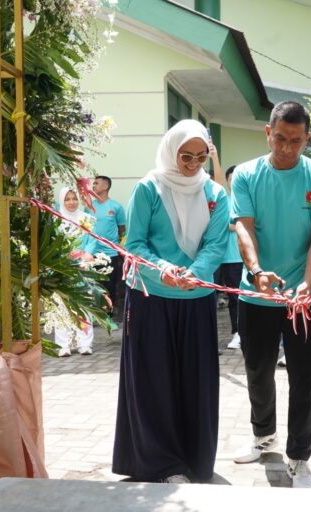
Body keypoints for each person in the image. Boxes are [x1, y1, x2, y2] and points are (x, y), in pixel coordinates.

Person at [112, 119, 229, 483]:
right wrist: (162, 269)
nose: (192, 164)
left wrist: (197, 271)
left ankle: (195, 459)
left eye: (200, 156)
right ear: (170, 151)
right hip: (151, 296)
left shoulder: (214, 193)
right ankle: (160, 463)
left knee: (196, 382)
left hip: (197, 296)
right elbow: (135, 245)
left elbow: (216, 243)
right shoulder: (149, 188)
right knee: (154, 381)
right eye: (185, 156)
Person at [231, 101, 311, 488]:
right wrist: (257, 272)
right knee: (257, 371)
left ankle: (299, 457)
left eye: (296, 141)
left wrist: (309, 282)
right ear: (268, 133)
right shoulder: (245, 174)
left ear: (307, 138)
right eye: (280, 139)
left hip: (304, 299)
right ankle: (263, 436)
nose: (287, 148)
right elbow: (244, 228)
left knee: (304, 377)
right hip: (256, 293)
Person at [54, 187, 96, 357]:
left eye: (74, 198)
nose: (71, 202)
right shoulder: (56, 219)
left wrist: (86, 256)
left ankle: (84, 343)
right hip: (63, 267)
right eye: (67, 199)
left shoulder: (87, 219)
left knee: (84, 305)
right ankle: (63, 345)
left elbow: (92, 241)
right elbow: (54, 242)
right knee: (61, 306)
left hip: (83, 268)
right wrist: (66, 256)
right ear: (61, 201)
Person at [85, 175, 126, 316]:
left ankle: (107, 315)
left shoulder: (116, 207)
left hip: (111, 254)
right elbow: (84, 229)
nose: (93, 186)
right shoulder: (88, 207)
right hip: (91, 254)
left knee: (109, 287)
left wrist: (119, 246)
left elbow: (122, 230)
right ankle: (94, 315)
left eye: (96, 183)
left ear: (105, 186)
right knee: (93, 285)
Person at [215, 165, 243, 350]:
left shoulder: (245, 200)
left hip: (236, 258)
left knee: (236, 298)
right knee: (211, 297)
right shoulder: (222, 199)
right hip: (217, 257)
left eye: (236, 178)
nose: (233, 182)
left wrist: (233, 226)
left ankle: (238, 333)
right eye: (230, 179)